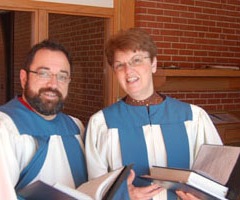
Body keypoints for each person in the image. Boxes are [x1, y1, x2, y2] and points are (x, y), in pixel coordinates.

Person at [84, 28, 222, 200]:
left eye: (136, 60)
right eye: (120, 65)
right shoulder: (102, 124)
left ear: (154, 64)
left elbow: (218, 180)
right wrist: (123, 196)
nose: (128, 71)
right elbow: (96, 189)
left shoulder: (193, 117)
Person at [0, 40, 87, 200]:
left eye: (62, 76)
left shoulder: (75, 128)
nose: (53, 84)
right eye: (44, 73)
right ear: (24, 78)